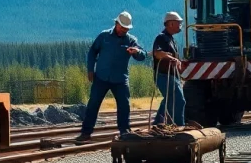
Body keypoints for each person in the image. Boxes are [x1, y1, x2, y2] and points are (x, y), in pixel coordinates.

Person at [76, 12, 147, 142]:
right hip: (101, 78)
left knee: (124, 105)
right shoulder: (103, 36)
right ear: (116, 23)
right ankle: (86, 133)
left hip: (120, 79)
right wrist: (90, 69)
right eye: (122, 27)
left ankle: (124, 132)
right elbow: (92, 52)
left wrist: (137, 52)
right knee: (93, 105)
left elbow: (143, 56)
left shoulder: (131, 40)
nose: (123, 30)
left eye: (126, 28)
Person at [152, 12, 185, 126]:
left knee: (168, 100)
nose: (180, 24)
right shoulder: (161, 38)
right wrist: (172, 58)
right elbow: (157, 53)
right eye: (178, 23)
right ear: (170, 23)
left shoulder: (171, 39)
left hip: (171, 76)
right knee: (179, 101)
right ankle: (180, 127)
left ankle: (158, 124)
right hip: (164, 75)